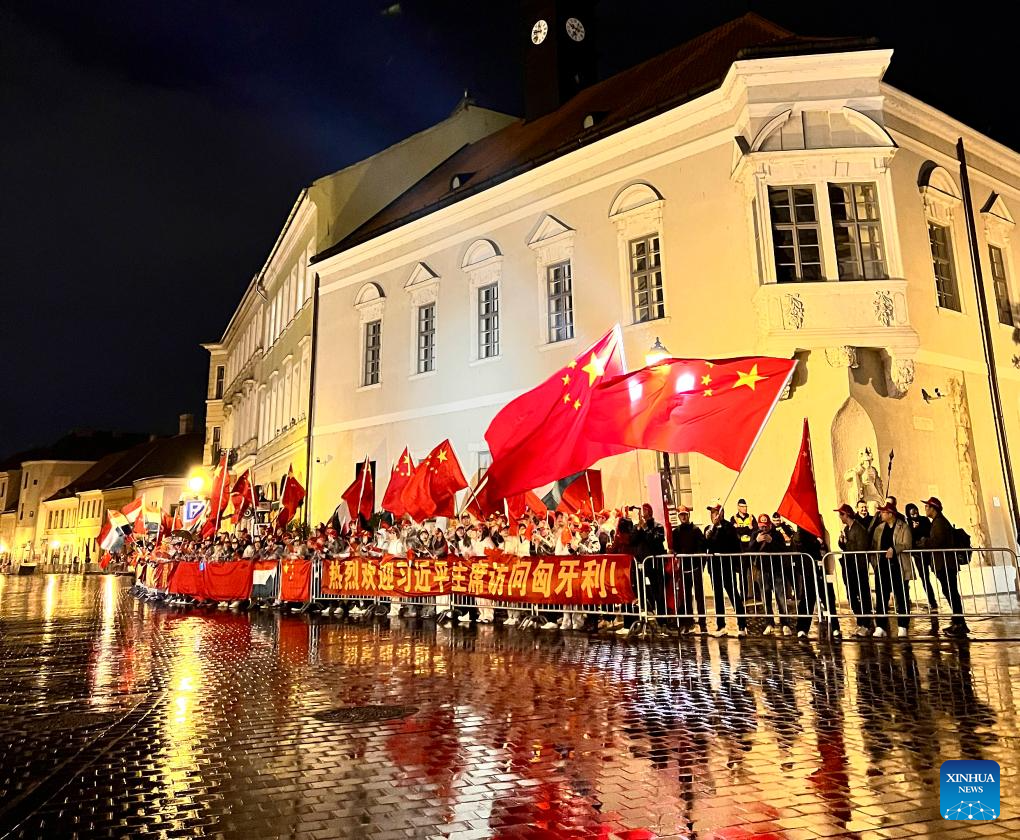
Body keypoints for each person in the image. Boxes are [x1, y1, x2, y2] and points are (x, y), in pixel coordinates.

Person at [918, 497, 969, 638]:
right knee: (949, 591)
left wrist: (924, 542)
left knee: (951, 592)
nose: (925, 509)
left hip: (946, 564)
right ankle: (957, 621)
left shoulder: (939, 523)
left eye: (927, 506)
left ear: (933, 508)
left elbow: (937, 542)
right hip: (943, 563)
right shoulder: (937, 522)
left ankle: (960, 623)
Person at [870, 502, 913, 637]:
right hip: (882, 567)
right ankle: (881, 626)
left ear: (890, 514)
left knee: (901, 597)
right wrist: (875, 563)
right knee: (881, 597)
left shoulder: (903, 527)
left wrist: (894, 549)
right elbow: (874, 546)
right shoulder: (879, 528)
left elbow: (907, 544)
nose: (881, 514)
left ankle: (903, 626)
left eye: (883, 512)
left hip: (898, 566)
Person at [705, 503, 747, 637]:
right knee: (717, 595)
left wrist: (718, 529)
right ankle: (721, 625)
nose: (714, 515)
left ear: (721, 513)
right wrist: (708, 535)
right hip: (714, 566)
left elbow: (730, 542)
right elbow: (706, 544)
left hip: (726, 565)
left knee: (733, 593)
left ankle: (742, 625)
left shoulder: (728, 527)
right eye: (712, 513)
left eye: (716, 512)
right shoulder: (709, 528)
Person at [792, 527, 840, 639]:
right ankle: (802, 628)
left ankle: (835, 627)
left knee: (829, 599)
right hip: (809, 570)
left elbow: (827, 548)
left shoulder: (823, 532)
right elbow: (802, 547)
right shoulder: (802, 533)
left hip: (823, 569)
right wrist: (816, 542)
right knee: (808, 599)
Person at [835, 504, 874, 636]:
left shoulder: (859, 529)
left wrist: (847, 543)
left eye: (841, 514)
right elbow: (845, 546)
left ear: (847, 514)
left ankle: (866, 623)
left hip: (859, 566)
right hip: (849, 566)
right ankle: (860, 621)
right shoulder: (847, 529)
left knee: (862, 594)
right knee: (851, 595)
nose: (840, 517)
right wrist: (841, 542)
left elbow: (861, 548)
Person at [751, 513, 792, 636]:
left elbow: (783, 549)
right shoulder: (755, 534)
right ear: (759, 525)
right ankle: (769, 623)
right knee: (766, 597)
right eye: (762, 526)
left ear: (769, 524)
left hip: (776, 569)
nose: (764, 529)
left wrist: (771, 541)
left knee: (780, 597)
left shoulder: (777, 534)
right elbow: (749, 550)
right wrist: (756, 542)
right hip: (762, 570)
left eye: (766, 526)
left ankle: (785, 623)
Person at [670, 505, 707, 635]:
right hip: (684, 569)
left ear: (689, 515)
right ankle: (688, 622)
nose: (684, 517)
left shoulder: (696, 531)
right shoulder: (676, 532)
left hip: (695, 568)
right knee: (685, 598)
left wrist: (700, 566)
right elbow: (674, 549)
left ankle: (703, 623)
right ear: (679, 517)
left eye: (685, 514)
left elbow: (702, 549)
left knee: (699, 596)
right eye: (681, 515)